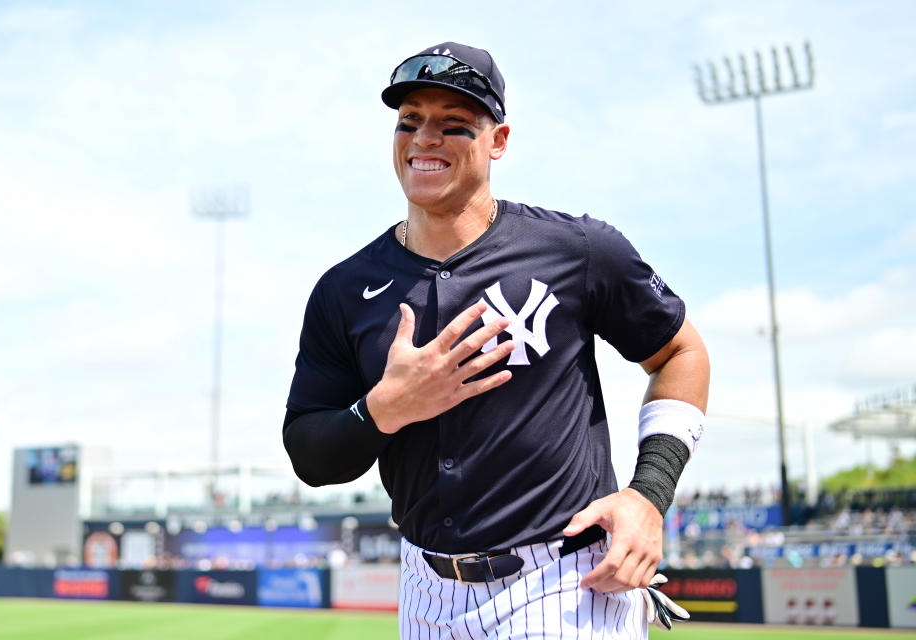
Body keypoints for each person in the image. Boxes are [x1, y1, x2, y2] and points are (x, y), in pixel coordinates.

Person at [284, 41, 710, 639]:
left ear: (499, 141)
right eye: (410, 122)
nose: (425, 138)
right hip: (425, 590)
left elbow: (680, 353)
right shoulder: (344, 289)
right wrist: (384, 410)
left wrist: (649, 495)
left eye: (454, 125)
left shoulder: (576, 250)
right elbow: (309, 452)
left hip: (566, 582)